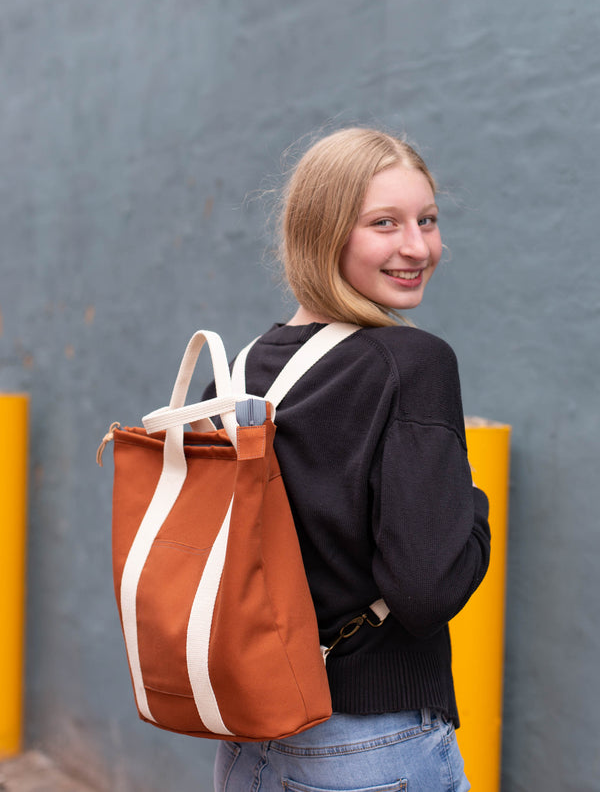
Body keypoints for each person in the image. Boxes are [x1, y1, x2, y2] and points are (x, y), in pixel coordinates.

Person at [207, 127, 491, 792]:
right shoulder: (412, 363)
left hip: (251, 739)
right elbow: (426, 589)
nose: (417, 247)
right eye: (384, 223)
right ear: (323, 232)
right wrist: (471, 507)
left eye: (427, 220)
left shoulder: (242, 368)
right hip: (371, 743)